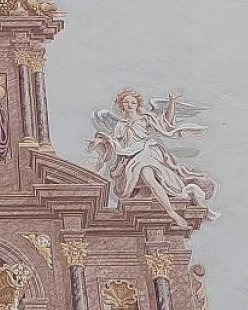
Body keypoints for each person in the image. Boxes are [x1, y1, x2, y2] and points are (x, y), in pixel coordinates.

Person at [87, 89, 216, 229]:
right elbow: (114, 144)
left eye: (133, 102)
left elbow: (166, 125)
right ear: (121, 105)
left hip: (147, 152)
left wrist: (171, 102)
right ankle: (169, 209)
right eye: (126, 102)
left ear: (137, 104)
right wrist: (101, 142)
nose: (129, 105)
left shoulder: (145, 119)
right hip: (130, 157)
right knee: (144, 174)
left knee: (146, 172)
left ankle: (172, 213)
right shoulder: (120, 126)